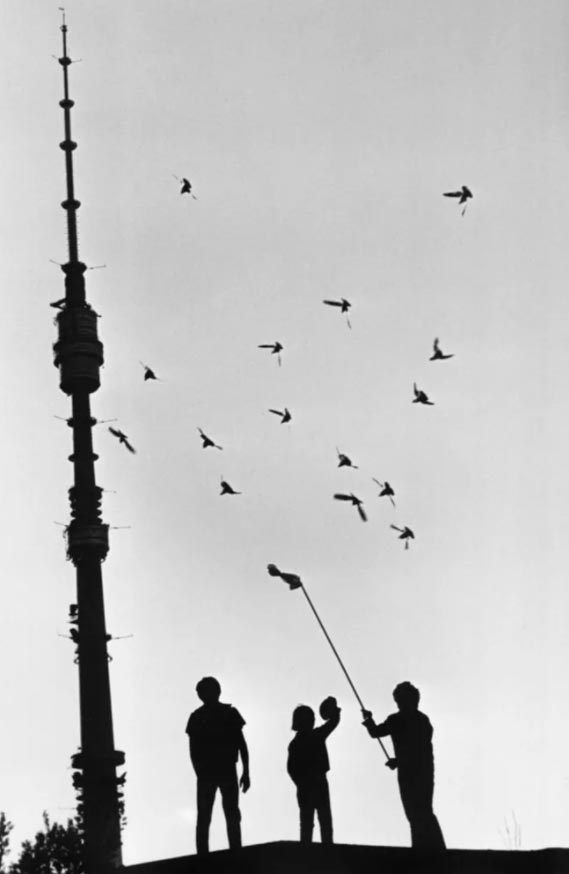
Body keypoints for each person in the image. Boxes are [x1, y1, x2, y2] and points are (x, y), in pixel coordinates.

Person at [362, 682, 445, 849]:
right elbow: (418, 750)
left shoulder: (397, 720)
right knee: (423, 810)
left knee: (415, 812)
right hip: (424, 772)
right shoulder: (422, 720)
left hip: (410, 773)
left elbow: (375, 732)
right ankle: (433, 847)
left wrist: (368, 720)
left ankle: (423, 848)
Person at [186, 677, 250, 855]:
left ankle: (235, 850)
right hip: (208, 772)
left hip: (226, 769)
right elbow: (193, 750)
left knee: (230, 812)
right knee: (205, 815)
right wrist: (199, 771)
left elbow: (241, 744)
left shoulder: (229, 713)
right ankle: (203, 854)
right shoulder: (197, 717)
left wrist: (246, 771)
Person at [287, 696, 341, 844]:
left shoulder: (296, 743)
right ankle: (325, 849)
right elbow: (333, 722)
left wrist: (300, 782)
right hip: (316, 782)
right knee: (322, 820)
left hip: (307, 784)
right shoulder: (316, 736)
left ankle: (308, 849)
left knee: (309, 820)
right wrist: (335, 710)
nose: (312, 720)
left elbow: (291, 769)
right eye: (310, 718)